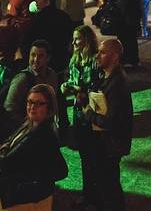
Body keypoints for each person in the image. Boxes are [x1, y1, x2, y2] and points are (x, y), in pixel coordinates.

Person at [0, 84, 68, 210]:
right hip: (22, 196)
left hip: (25, 199)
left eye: (39, 103)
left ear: (50, 107)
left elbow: (4, 161)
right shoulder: (29, 124)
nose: (32, 107)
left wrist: (3, 150)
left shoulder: (41, 135)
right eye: (30, 102)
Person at [81, 39, 134, 211]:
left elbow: (110, 121)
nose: (97, 56)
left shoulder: (117, 83)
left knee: (109, 183)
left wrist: (88, 112)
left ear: (115, 57)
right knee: (107, 181)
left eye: (102, 52)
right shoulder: (107, 76)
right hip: (106, 141)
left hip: (111, 143)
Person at [61, 25, 101, 208]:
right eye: (73, 39)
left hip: (91, 112)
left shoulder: (95, 60)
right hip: (78, 113)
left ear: (87, 40)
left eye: (77, 39)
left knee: (95, 156)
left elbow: (98, 85)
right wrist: (66, 86)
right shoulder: (74, 59)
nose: (74, 42)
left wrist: (80, 90)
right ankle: (88, 194)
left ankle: (96, 195)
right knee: (85, 155)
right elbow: (73, 80)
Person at [3, 40, 59, 122]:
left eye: (40, 56)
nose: (36, 59)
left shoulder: (52, 76)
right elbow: (9, 108)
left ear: (48, 58)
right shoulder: (22, 79)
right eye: (33, 55)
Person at [23, 0, 74, 75]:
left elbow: (27, 41)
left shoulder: (37, 20)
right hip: (62, 62)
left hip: (44, 65)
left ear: (47, 2)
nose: (36, 2)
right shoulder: (64, 16)